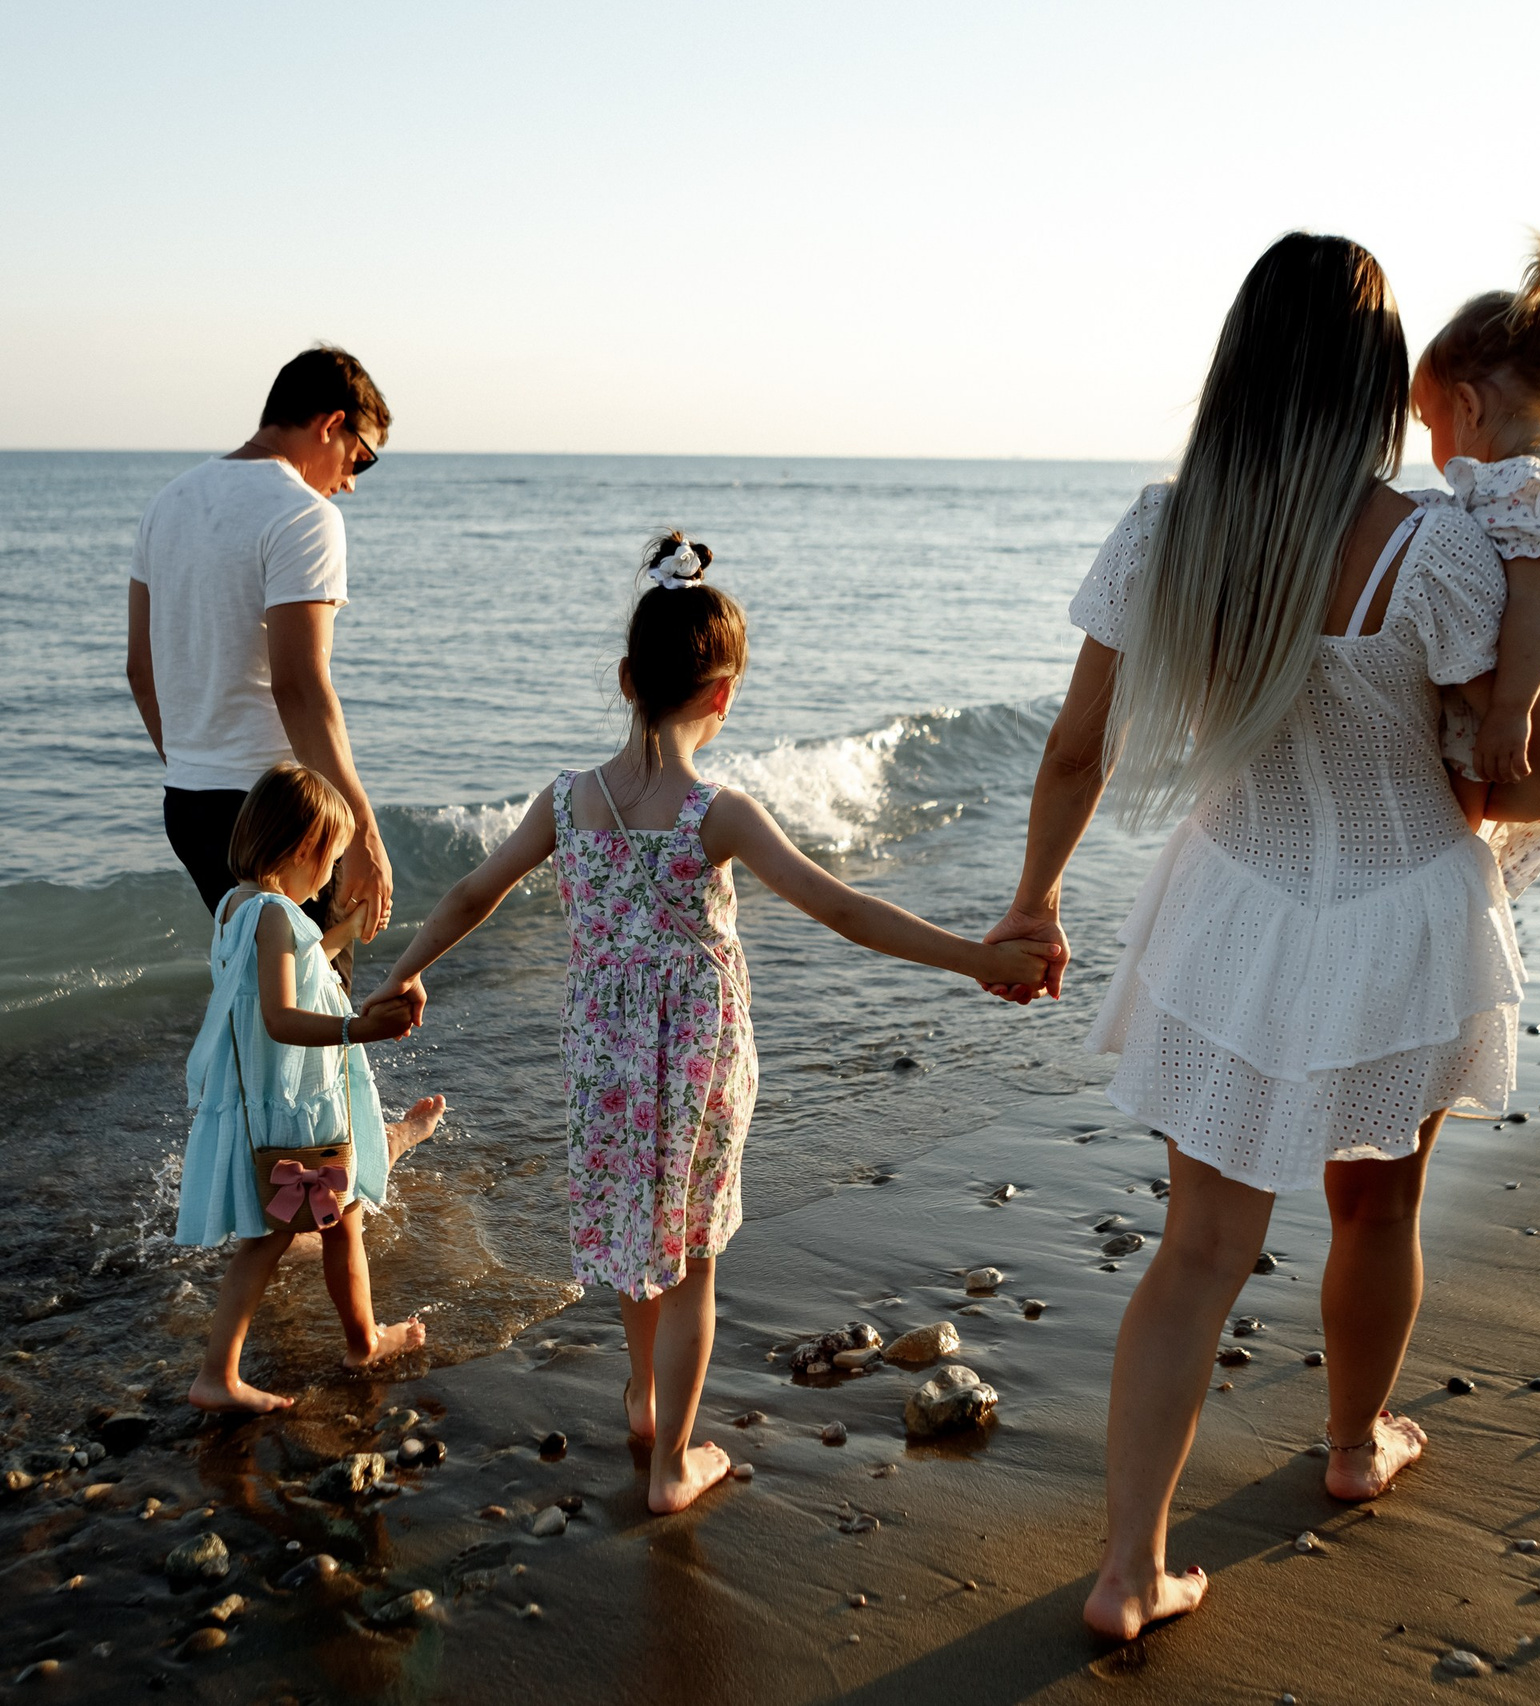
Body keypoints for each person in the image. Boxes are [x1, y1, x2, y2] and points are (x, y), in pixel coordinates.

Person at [977, 234, 1540, 1642]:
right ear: (1381, 382)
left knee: (1197, 1247)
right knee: (1379, 1201)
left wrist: (1035, 898)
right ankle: (1356, 1439)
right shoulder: (1438, 550)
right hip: (1401, 914)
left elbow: (1075, 751)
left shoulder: (1162, 529)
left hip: (1235, 910)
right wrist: (1456, 768)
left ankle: (1129, 1569)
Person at [370, 536, 1059, 1512]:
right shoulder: (716, 811)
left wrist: (405, 971)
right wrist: (979, 957)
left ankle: (644, 1399)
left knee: (628, 1234)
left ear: (623, 680)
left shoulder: (566, 802)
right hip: (698, 1057)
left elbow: (473, 890)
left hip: (602, 1058)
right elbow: (843, 909)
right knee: (691, 1260)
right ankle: (669, 1466)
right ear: (724, 696)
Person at [174, 764, 446, 1414]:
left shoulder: (236, 906)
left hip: (271, 1111)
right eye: (331, 859)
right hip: (302, 1113)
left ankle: (226, 1370)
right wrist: (362, 1028)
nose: (329, 877)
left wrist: (342, 936)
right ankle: (361, 1344)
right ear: (305, 850)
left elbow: (289, 974)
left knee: (278, 1239)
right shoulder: (274, 914)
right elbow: (281, 1017)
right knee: (340, 1224)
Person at [125, 345, 396, 954]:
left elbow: (141, 672)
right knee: (313, 1013)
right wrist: (361, 834)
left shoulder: (167, 503)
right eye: (361, 457)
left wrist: (197, 762)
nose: (351, 482)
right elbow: (300, 685)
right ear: (331, 424)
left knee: (252, 995)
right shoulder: (304, 515)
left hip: (188, 805)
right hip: (278, 812)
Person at [1413, 234, 1540, 894]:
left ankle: (1443, 886)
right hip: (1508, 673)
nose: (1433, 443)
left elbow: (1537, 605)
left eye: (1428, 421)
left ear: (1468, 407)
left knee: (1454, 812)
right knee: (1454, 809)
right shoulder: (1528, 483)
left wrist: (1510, 711)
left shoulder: (1514, 488)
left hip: (1514, 681)